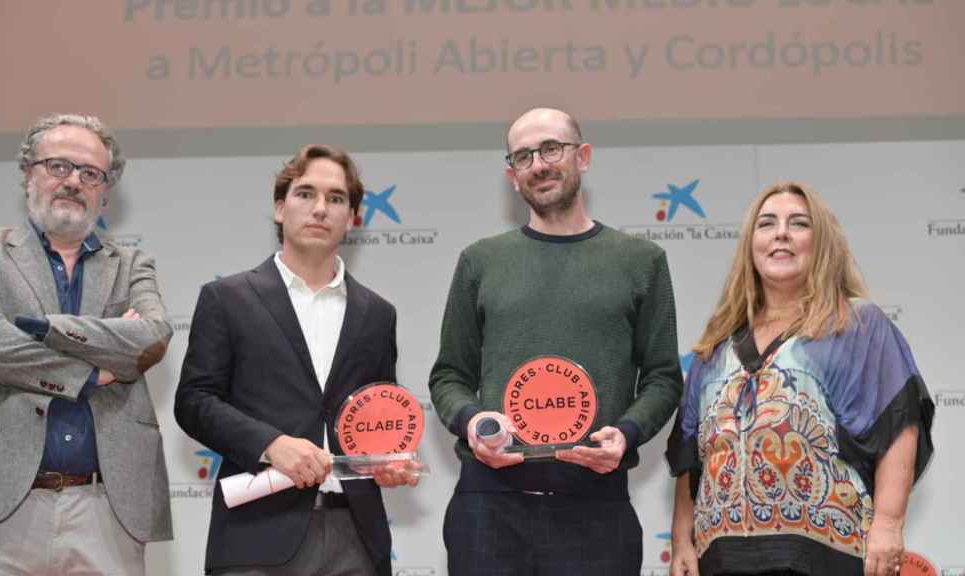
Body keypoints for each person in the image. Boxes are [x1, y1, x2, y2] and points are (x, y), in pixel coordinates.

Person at [429, 107, 684, 575]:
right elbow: (449, 376)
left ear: (582, 156)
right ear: (511, 175)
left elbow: (664, 377)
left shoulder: (641, 261)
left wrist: (626, 434)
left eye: (551, 149)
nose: (539, 164)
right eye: (523, 156)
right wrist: (473, 422)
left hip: (596, 509)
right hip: (489, 509)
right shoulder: (480, 261)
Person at [0, 113, 174, 574]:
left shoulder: (132, 264)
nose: (73, 182)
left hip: (106, 507)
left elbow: (151, 339)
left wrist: (40, 328)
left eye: (90, 173)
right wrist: (91, 372)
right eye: (58, 166)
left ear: (105, 191)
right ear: (28, 173)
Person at [667, 181, 935, 576]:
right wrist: (681, 542)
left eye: (798, 223)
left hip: (826, 554)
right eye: (767, 223)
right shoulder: (717, 344)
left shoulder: (857, 325)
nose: (781, 233)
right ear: (750, 245)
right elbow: (692, 457)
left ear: (821, 243)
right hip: (722, 557)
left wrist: (888, 524)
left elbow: (898, 424)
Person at [174, 144, 416, 576]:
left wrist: (390, 460)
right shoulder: (227, 299)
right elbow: (194, 401)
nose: (320, 209)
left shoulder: (379, 314)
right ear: (279, 208)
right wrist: (270, 444)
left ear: (353, 217)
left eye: (336, 198)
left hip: (358, 536)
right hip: (256, 532)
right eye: (306, 194)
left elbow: (380, 415)